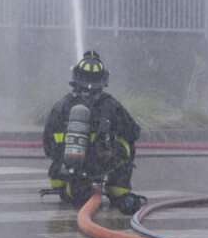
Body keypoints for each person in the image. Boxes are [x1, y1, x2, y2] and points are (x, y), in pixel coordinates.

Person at [42, 50, 146, 214]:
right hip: (99, 166)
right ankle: (118, 190)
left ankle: (72, 189)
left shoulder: (61, 105)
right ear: (103, 80)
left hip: (61, 174)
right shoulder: (111, 105)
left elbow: (47, 146)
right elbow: (133, 132)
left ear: (76, 77)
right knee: (127, 146)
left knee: (77, 192)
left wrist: (64, 159)